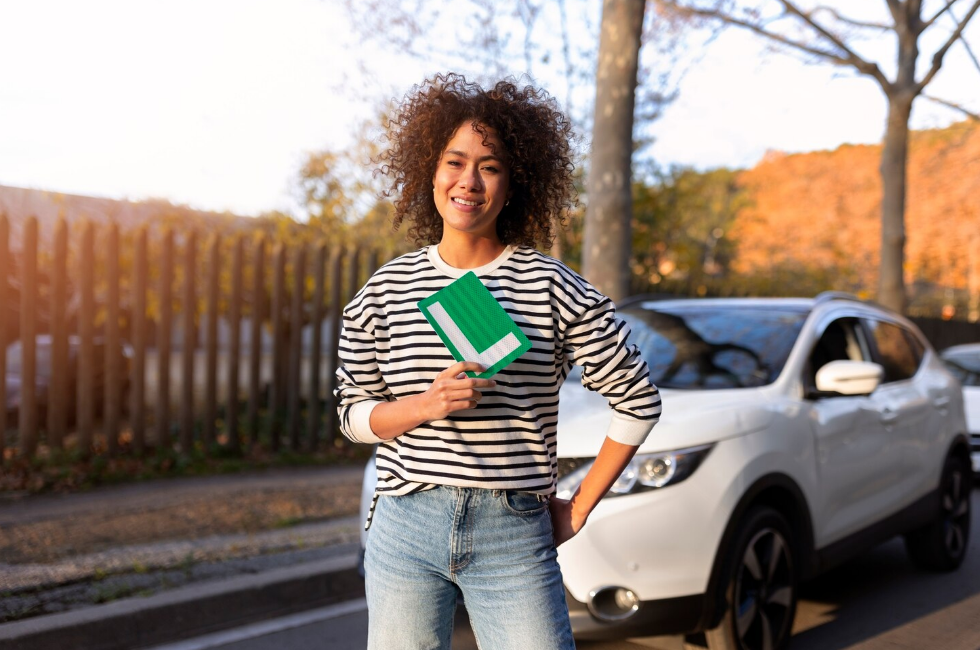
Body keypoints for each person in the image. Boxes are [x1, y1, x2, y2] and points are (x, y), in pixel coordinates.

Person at [335, 73, 662, 650]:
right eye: (454, 162)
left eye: (490, 166)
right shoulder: (384, 291)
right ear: (429, 173)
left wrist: (580, 506)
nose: (468, 181)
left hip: (512, 529)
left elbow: (637, 401)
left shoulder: (553, 286)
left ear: (515, 184)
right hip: (405, 524)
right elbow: (353, 415)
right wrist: (425, 405)